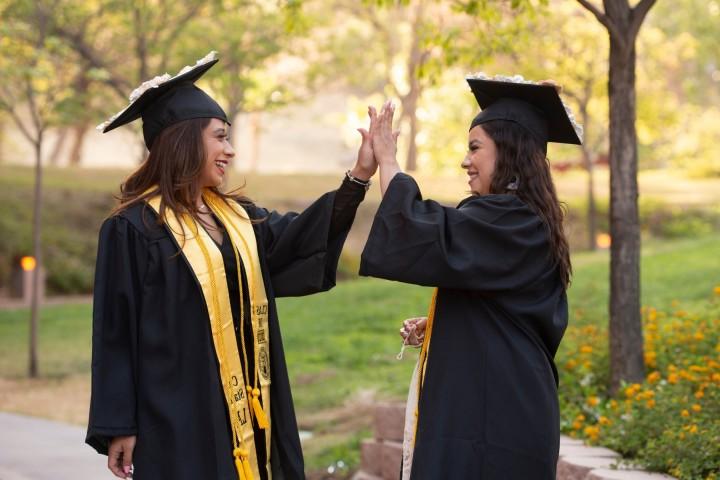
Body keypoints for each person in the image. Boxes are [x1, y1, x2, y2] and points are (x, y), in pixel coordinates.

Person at [86, 51, 376, 480]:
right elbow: (115, 330)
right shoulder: (133, 228)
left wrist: (358, 178)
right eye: (220, 137)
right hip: (178, 410)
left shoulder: (238, 218)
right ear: (184, 140)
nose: (231, 150)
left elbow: (300, 239)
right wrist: (119, 425)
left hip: (251, 401)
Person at [359, 74, 583, 479]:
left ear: (510, 151)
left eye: (475, 148)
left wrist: (388, 161)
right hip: (492, 411)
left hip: (498, 423)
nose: (465, 161)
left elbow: (428, 232)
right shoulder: (519, 220)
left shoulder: (513, 220)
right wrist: (448, 323)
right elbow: (510, 309)